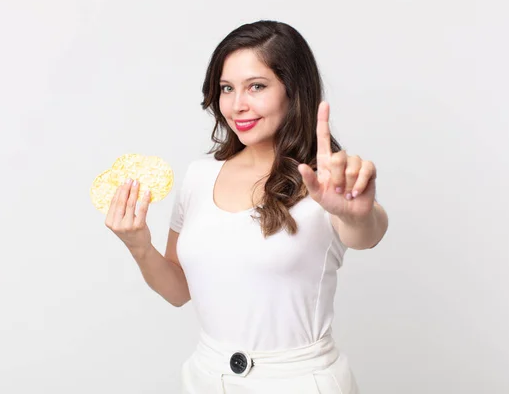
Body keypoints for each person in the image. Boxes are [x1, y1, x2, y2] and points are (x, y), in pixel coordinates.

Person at [105, 20, 388, 393]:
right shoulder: (199, 177)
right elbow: (179, 292)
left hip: (299, 382)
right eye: (227, 88)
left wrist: (358, 213)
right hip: (206, 377)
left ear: (293, 90)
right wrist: (139, 246)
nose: (237, 105)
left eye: (256, 86)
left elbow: (365, 234)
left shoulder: (327, 182)